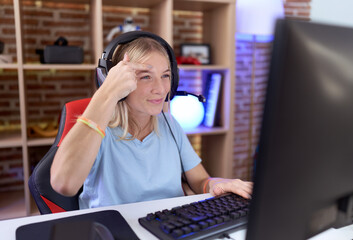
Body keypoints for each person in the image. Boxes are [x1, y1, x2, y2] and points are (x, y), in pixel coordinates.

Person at [50, 34, 253, 209]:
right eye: (146, 76)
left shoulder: (170, 125)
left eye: (165, 75)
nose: (160, 88)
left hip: (166, 227)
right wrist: (107, 93)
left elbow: (200, 180)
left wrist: (218, 185)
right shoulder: (98, 131)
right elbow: (63, 184)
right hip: (114, 230)